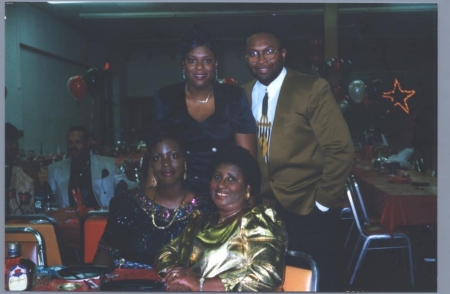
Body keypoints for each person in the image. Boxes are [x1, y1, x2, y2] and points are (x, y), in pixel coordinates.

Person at [242, 31, 355, 291]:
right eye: (253, 53)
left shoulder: (311, 88)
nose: (261, 60)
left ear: (283, 53)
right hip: (261, 208)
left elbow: (340, 148)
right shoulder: (242, 94)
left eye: (269, 51)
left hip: (308, 206)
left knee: (316, 279)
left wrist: (323, 202)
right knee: (270, 280)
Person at [155, 145, 287, 292]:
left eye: (231, 179)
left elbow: (269, 274)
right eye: (217, 177)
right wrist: (178, 276)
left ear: (247, 188)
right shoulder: (201, 221)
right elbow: (166, 252)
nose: (221, 185)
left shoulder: (257, 220)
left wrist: (200, 284)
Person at [152, 27, 257, 209]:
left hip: (225, 194)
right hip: (180, 197)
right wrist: (152, 199)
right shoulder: (165, 98)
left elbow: (246, 161)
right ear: (183, 63)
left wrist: (249, 204)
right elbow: (156, 155)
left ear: (216, 63)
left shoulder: (234, 97)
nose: (199, 68)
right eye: (192, 60)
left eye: (207, 61)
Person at [93, 122, 210, 269]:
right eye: (157, 158)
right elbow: (106, 252)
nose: (166, 163)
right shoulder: (128, 204)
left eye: (173, 156)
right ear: (151, 165)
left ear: (184, 160)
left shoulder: (205, 210)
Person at [47, 125, 138, 209]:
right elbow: (50, 201)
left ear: (87, 143)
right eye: (70, 142)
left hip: (100, 219)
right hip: (68, 221)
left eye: (77, 142)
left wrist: (144, 187)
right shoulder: (55, 169)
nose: (73, 146)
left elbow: (127, 185)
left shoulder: (107, 164)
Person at [5, 123, 41, 214]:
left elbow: (38, 197)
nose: (14, 146)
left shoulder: (26, 167)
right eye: (9, 143)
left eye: (16, 142)